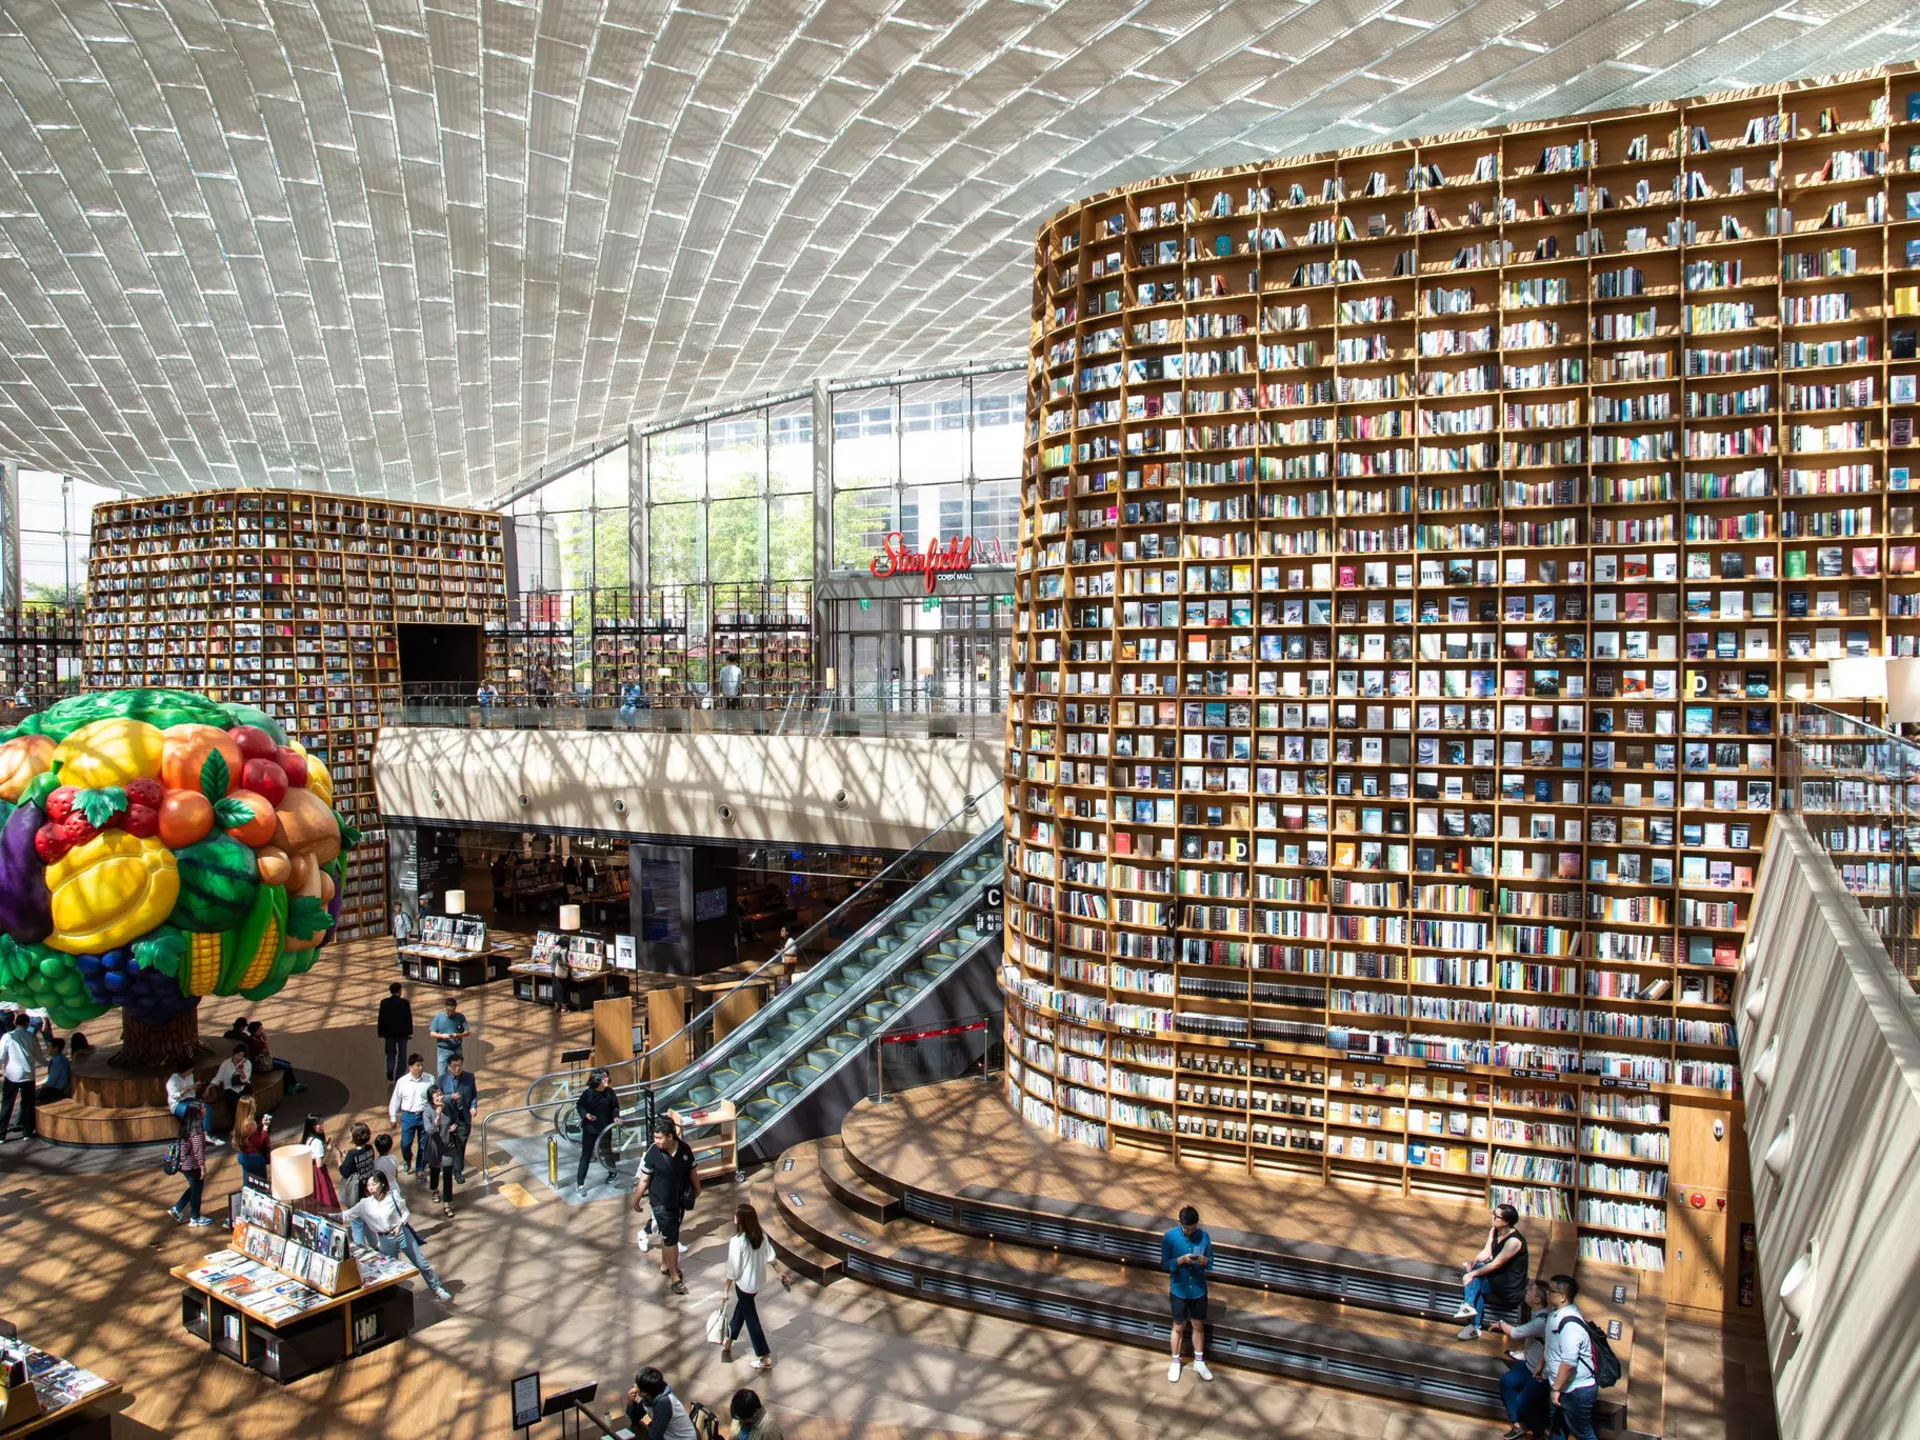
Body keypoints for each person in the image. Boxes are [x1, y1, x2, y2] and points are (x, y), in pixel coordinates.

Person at [342, 1172, 453, 1302]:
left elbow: (406, 1213)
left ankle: (437, 1288)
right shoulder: (365, 1204)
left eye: (374, 1184)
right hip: (384, 1239)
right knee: (389, 1272)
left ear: (382, 1184)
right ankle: (393, 1299)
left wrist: (400, 1225)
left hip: (402, 1234)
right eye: (368, 1185)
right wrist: (329, 1215)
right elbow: (346, 1215)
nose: (370, 1187)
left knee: (421, 1263)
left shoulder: (393, 1197)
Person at [722, 1202, 794, 1370]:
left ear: (741, 1220)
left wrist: (725, 1289)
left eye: (736, 1214)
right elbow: (770, 1256)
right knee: (741, 1310)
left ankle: (764, 1356)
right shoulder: (760, 1234)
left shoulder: (737, 1241)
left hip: (744, 1284)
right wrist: (779, 1271)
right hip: (757, 1282)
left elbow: (733, 1269)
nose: (734, 1216)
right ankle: (729, 1341)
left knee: (751, 1319)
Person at [634, 1117, 698, 1294]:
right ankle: (674, 1277)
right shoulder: (653, 1153)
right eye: (655, 1137)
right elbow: (644, 1178)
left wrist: (697, 1190)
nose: (656, 1141)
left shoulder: (684, 1149)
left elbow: (692, 1172)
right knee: (671, 1237)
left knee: (669, 1233)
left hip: (679, 1200)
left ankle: (664, 1265)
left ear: (670, 1137)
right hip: (660, 1202)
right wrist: (636, 1199)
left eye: (659, 1138)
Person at [1454, 1202, 1528, 1340]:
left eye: (1496, 1216)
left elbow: (1496, 1264)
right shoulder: (1495, 1230)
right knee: (1476, 1275)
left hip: (1508, 1282)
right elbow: (1487, 1251)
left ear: (1505, 1221)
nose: (1492, 1217)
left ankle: (1472, 1319)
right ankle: (1470, 1315)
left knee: (1475, 1278)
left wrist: (1472, 1273)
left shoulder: (1514, 1242)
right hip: (1496, 1275)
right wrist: (1475, 1262)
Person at [1492, 1278, 1553, 1440]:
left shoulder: (1542, 1321)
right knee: (1507, 1381)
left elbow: (1515, 1333)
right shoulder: (1535, 1314)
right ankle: (1518, 1424)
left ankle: (1539, 1435)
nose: (1526, 1291)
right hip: (1528, 1364)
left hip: (1540, 1373)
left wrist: (1500, 1323)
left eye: (1530, 1290)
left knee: (1523, 1402)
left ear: (1537, 1299)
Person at [1161, 1204, 1215, 1384]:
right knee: (1178, 1326)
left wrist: (1204, 1261)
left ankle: (1199, 1362)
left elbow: (1211, 1262)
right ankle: (1175, 1361)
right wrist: (1180, 1260)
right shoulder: (1170, 1237)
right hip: (1179, 1289)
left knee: (1198, 1325)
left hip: (1198, 1289)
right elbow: (1164, 1264)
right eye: (1186, 1229)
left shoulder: (1204, 1237)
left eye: (1193, 1228)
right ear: (1180, 1223)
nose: (1190, 1232)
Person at [1543, 1273, 1599, 1440]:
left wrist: (1556, 1389)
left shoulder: (1570, 1325)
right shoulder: (1556, 1315)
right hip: (1564, 1388)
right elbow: (1551, 1347)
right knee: (1558, 1430)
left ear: (1562, 1297)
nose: (1546, 1293)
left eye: (1550, 1290)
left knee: (1583, 1433)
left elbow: (1568, 1363)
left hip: (1575, 1391)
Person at [574, 1069, 620, 1195]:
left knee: (607, 1152)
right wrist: (586, 1115)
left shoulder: (610, 1092)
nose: (607, 1079)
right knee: (586, 1155)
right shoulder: (588, 1094)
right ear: (597, 1080)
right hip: (590, 1129)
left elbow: (615, 1107)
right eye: (604, 1078)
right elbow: (579, 1105)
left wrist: (616, 1116)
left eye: (607, 1077)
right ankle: (580, 1184)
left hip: (605, 1128)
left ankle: (612, 1172)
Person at [0, 1011, 45, 1139]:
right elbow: (38, 1055)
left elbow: (2, 1055)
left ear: (15, 1023)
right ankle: (27, 1132)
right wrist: (46, 1063)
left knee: (7, 1105)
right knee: (27, 1105)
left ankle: (1, 1135)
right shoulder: (31, 1037)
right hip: (28, 1075)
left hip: (11, 1075)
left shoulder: (8, 1036)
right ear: (27, 1024)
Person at [167, 1101, 213, 1226]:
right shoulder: (196, 1130)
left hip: (184, 1164)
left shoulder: (187, 1126)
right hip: (192, 1165)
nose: (205, 1109)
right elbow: (198, 1151)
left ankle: (177, 1208)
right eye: (203, 1108)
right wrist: (202, 1168)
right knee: (197, 1190)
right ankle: (195, 1217)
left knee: (194, 1187)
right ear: (197, 1113)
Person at [389, 1052, 433, 1173]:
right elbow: (395, 1099)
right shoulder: (402, 1082)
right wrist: (393, 1117)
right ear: (410, 1067)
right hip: (408, 1116)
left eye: (422, 1065)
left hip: (424, 1115)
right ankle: (407, 1159)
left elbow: (434, 1096)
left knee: (423, 1145)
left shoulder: (430, 1079)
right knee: (405, 1144)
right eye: (418, 1065)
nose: (420, 1068)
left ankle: (420, 1169)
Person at [624, 1368, 697, 1440]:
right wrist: (630, 1402)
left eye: (637, 1385)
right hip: (667, 1435)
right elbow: (635, 1418)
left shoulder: (664, 1404)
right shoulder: (651, 1395)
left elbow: (655, 1436)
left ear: (644, 1392)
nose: (634, 1386)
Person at [421, 1087, 460, 1219]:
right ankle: (435, 1190)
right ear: (431, 1098)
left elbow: (455, 1119)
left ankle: (447, 1204)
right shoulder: (427, 1112)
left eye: (440, 1094)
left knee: (448, 1175)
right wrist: (437, 1116)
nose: (439, 1097)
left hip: (448, 1146)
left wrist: (454, 1126)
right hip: (434, 1147)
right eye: (436, 1095)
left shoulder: (448, 1106)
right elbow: (430, 1130)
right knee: (434, 1171)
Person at [435, 1061, 474, 1187]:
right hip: (449, 1116)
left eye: (460, 1065)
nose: (457, 1068)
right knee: (452, 1144)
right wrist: (449, 1097)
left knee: (461, 1143)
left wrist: (473, 1106)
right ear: (449, 1067)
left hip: (463, 1117)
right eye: (454, 1066)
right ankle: (453, 1169)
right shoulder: (442, 1079)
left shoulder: (469, 1077)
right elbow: (438, 1098)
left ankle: (458, 1167)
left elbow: (473, 1095)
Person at [338, 1121, 380, 1227]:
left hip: (356, 1192)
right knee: (367, 1220)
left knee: (356, 1223)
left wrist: (338, 1158)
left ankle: (359, 1243)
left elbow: (344, 1171)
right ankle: (372, 1242)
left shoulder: (352, 1155)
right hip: (368, 1189)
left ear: (355, 1137)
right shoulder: (370, 1148)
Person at [246, 1019, 305, 1094]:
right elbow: (267, 1053)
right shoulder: (255, 1042)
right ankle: (293, 1086)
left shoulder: (254, 1039)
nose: (262, 1031)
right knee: (287, 1067)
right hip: (263, 1065)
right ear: (255, 1031)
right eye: (260, 1029)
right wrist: (265, 1041)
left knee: (286, 1063)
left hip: (264, 1060)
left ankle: (290, 1085)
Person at [301, 1115, 342, 1211]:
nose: (321, 1125)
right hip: (318, 1174)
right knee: (324, 1196)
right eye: (318, 1124)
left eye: (321, 1123)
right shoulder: (317, 1142)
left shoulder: (307, 1139)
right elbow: (319, 1164)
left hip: (308, 1171)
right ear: (312, 1126)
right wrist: (327, 1151)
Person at [378, 982, 414, 1082]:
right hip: (402, 1034)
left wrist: (381, 1032)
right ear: (400, 991)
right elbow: (408, 1019)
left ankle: (390, 1070)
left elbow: (381, 1019)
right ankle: (399, 1076)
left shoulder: (384, 1002)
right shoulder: (405, 1003)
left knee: (390, 1053)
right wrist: (409, 1032)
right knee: (402, 1055)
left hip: (388, 1034)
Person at [429, 993, 469, 1071]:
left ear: (455, 1008)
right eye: (448, 1011)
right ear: (444, 1008)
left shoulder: (460, 1017)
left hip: (456, 1049)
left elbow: (467, 1032)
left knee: (457, 1072)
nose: (450, 1013)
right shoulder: (438, 1017)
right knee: (442, 1073)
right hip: (443, 1050)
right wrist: (442, 1036)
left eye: (452, 1011)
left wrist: (458, 1035)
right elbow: (432, 1033)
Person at [233, 1112, 272, 1184]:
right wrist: (265, 1128)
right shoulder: (253, 1135)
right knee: (261, 1182)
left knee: (247, 1179)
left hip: (244, 1158)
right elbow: (261, 1141)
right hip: (256, 1160)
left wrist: (262, 1125)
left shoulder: (241, 1138)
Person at [36, 1035, 71, 1104]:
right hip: (55, 1088)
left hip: (57, 1091)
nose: (47, 1049)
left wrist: (42, 1088)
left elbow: (51, 1082)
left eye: (49, 1046)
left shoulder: (58, 1062)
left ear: (56, 1049)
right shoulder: (57, 1059)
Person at [165, 1056, 199, 1123]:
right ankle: (193, 1131)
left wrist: (195, 1087)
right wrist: (186, 1089)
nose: (192, 1071)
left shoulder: (190, 1075)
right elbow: (174, 1096)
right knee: (194, 1109)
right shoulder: (173, 1081)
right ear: (185, 1070)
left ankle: (204, 1131)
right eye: (190, 1070)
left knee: (206, 1108)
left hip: (190, 1100)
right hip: (178, 1103)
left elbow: (192, 1092)